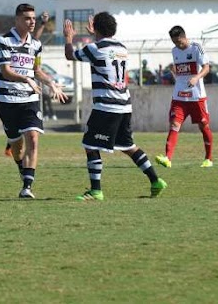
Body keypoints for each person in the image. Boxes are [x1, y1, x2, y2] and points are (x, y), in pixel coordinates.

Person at [63, 13, 167, 200]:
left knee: (90, 145)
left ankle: (96, 191)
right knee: (128, 146)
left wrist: (69, 38)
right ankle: (155, 180)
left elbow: (70, 55)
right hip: (124, 105)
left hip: (106, 106)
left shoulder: (94, 48)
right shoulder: (122, 48)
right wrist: (96, 34)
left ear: (96, 28)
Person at [0, 3, 67, 198]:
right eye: (27, 18)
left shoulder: (36, 45)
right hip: (7, 100)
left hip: (29, 98)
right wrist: (26, 79)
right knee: (16, 148)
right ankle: (21, 167)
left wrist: (51, 83)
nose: (32, 21)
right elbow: (6, 71)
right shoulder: (4, 42)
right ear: (17, 19)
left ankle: (27, 186)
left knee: (33, 138)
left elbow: (37, 70)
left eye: (33, 18)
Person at [0, 12, 51, 158]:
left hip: (26, 98)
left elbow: (35, 38)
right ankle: (12, 145)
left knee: (29, 133)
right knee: (17, 134)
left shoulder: (30, 46)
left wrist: (42, 23)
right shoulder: (2, 57)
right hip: (8, 100)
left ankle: (14, 148)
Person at [155, 25, 214, 168]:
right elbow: (181, 72)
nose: (177, 45)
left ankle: (208, 158)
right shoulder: (174, 51)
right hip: (179, 96)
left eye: (179, 42)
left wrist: (196, 77)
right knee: (174, 124)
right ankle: (167, 158)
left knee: (203, 125)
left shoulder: (196, 48)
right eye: (174, 43)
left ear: (184, 37)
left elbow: (206, 67)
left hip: (197, 96)